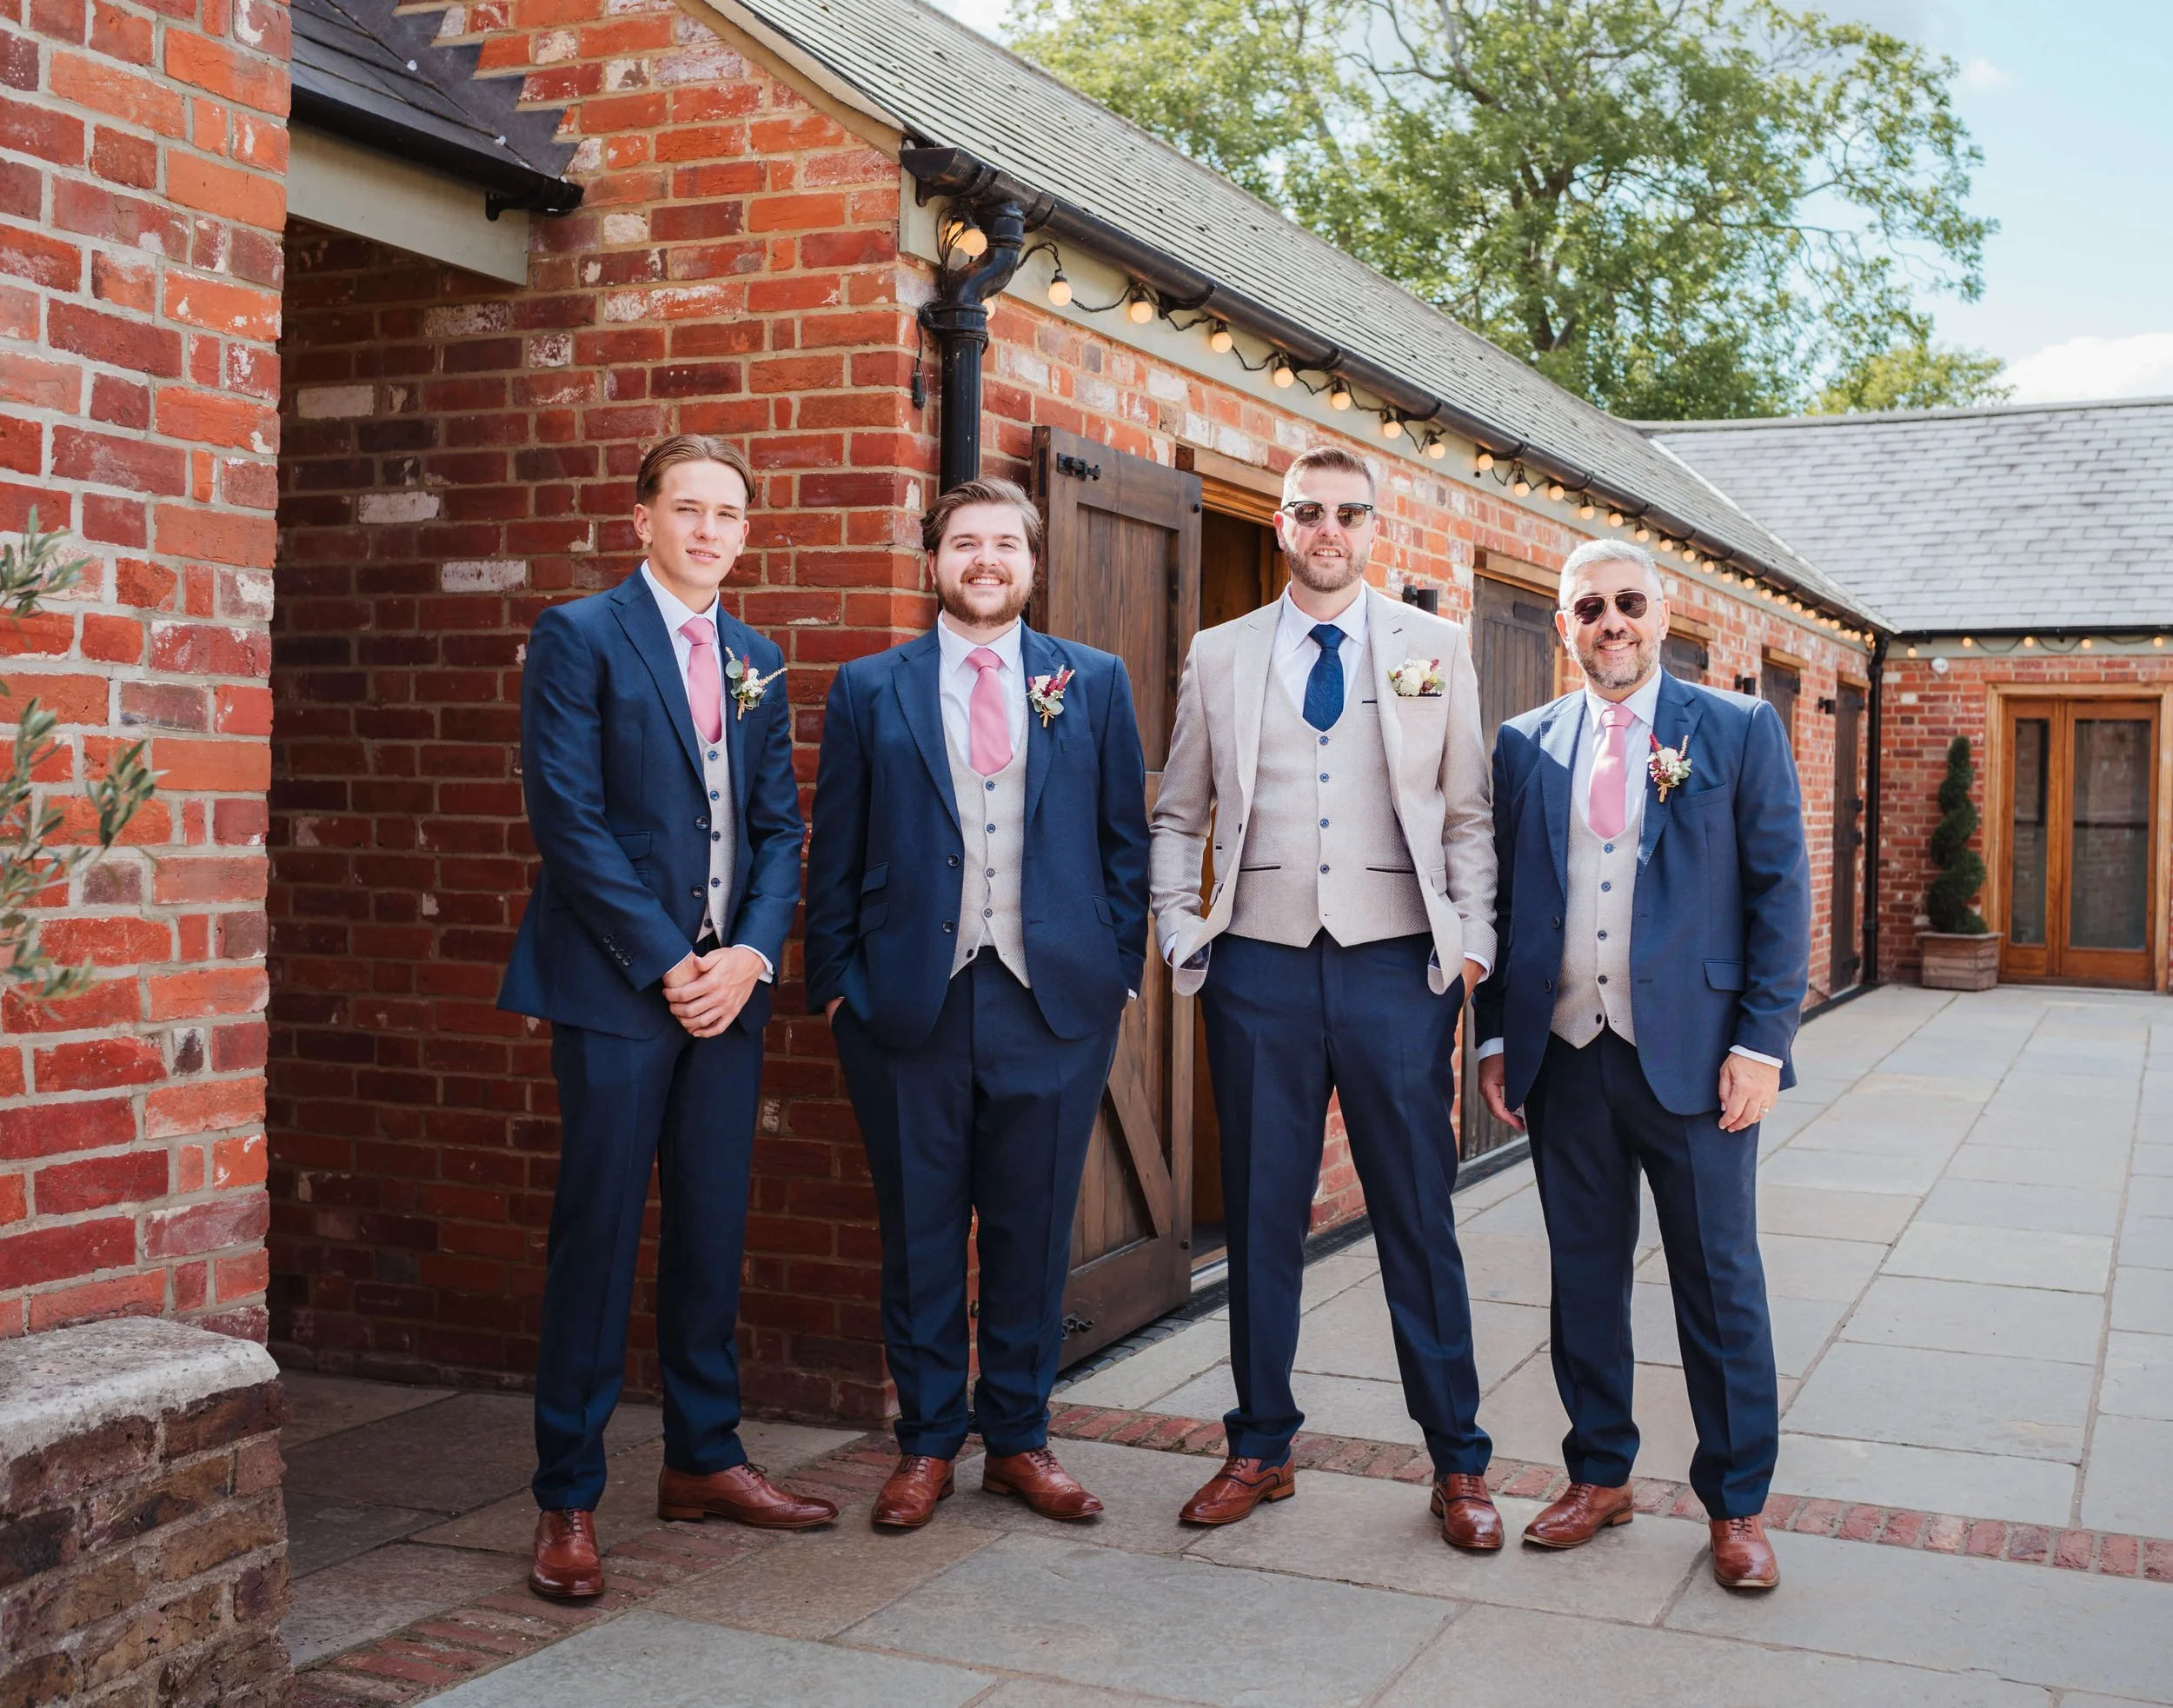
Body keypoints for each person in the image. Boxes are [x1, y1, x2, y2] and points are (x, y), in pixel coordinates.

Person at [499, 434, 835, 1603]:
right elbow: (569, 818)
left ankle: (703, 1457)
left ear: (746, 532)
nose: (707, 531)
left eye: (727, 514)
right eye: (686, 508)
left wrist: (745, 955)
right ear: (641, 518)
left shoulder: (756, 657)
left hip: (728, 999)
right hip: (612, 989)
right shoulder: (579, 636)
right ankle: (569, 1496)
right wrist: (665, 961)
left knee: (710, 1228)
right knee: (595, 1238)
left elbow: (783, 829)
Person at [1147, 444, 1502, 1547]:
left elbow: (1466, 816)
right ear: (1283, 521)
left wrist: (1472, 945)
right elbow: (1177, 813)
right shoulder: (1220, 652)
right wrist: (1178, 933)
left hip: (1398, 965)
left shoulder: (1434, 646)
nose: (1329, 529)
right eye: (1309, 510)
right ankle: (1259, 1443)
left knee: (1415, 1216)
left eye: (1350, 513)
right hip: (1254, 964)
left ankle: (1457, 1463)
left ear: (1373, 527)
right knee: (1258, 1216)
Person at [805, 476, 1150, 1530]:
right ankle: (924, 1447)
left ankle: (1019, 1439)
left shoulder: (1091, 682)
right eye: (965, 543)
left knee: (1031, 1233)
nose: (985, 559)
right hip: (909, 1006)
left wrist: (1115, 974)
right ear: (934, 562)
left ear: (1032, 565)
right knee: (916, 1236)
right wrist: (833, 992)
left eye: (1005, 543)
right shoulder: (870, 687)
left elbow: (1122, 842)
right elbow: (838, 847)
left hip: (1052, 1007)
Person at [1475, 536, 1810, 1592]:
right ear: (1562, 624)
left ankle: (1737, 1503)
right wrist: (1494, 1034)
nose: (1609, 622)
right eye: (1588, 607)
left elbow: (1780, 894)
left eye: (1627, 603)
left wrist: (1762, 1044)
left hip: (1701, 1064)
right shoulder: (1523, 743)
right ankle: (1599, 1474)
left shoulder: (1739, 728)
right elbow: (1506, 900)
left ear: (1661, 616)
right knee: (1582, 1281)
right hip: (1567, 1055)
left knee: (1720, 1287)